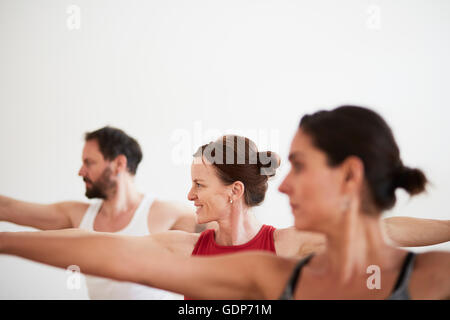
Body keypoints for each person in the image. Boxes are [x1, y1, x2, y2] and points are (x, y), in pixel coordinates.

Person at [1, 107, 449, 299]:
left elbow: (388, 230)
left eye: (198, 184)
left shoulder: (285, 248)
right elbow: (103, 247)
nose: (189, 195)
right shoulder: (188, 249)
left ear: (234, 191)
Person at [0, 126, 205, 299]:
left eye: (89, 162)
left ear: (119, 164)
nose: (81, 171)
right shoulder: (77, 215)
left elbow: (226, 238)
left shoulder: (168, 214)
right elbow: (9, 208)